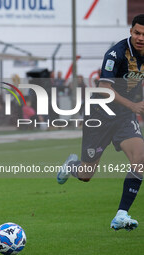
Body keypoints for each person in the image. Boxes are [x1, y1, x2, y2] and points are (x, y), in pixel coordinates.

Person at [57, 14, 144, 231]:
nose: (141, 38)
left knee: (140, 157)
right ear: (131, 32)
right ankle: (72, 166)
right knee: (86, 175)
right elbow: (105, 89)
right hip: (100, 113)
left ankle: (121, 215)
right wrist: (133, 106)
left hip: (124, 117)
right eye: (137, 33)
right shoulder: (116, 53)